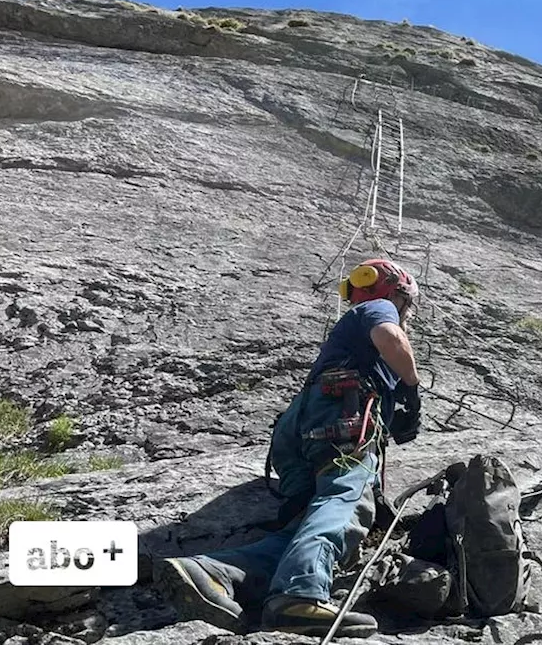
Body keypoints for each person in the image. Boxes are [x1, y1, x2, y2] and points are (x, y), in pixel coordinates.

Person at [153, 258, 424, 637]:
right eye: (406, 305)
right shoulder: (377, 307)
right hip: (340, 417)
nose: (406, 313)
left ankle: (213, 570)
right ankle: (302, 594)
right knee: (343, 499)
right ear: (396, 293)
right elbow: (390, 338)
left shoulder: (350, 330)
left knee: (305, 523)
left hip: (300, 430)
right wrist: (411, 386)